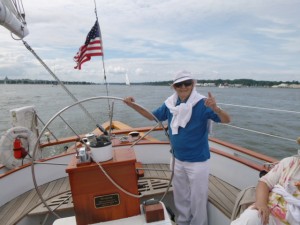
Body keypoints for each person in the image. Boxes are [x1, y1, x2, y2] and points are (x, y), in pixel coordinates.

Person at [124, 70, 231, 225]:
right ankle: (183, 222)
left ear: (193, 84)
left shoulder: (203, 103)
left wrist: (216, 109)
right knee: (180, 196)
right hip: (177, 159)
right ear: (173, 86)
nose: (183, 87)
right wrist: (132, 105)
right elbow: (151, 116)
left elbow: (227, 120)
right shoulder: (170, 104)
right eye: (179, 84)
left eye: (187, 83)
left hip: (198, 161)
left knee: (198, 198)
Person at [231, 156, 300, 225]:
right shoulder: (290, 162)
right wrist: (261, 203)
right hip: (267, 212)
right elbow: (264, 182)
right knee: (251, 217)